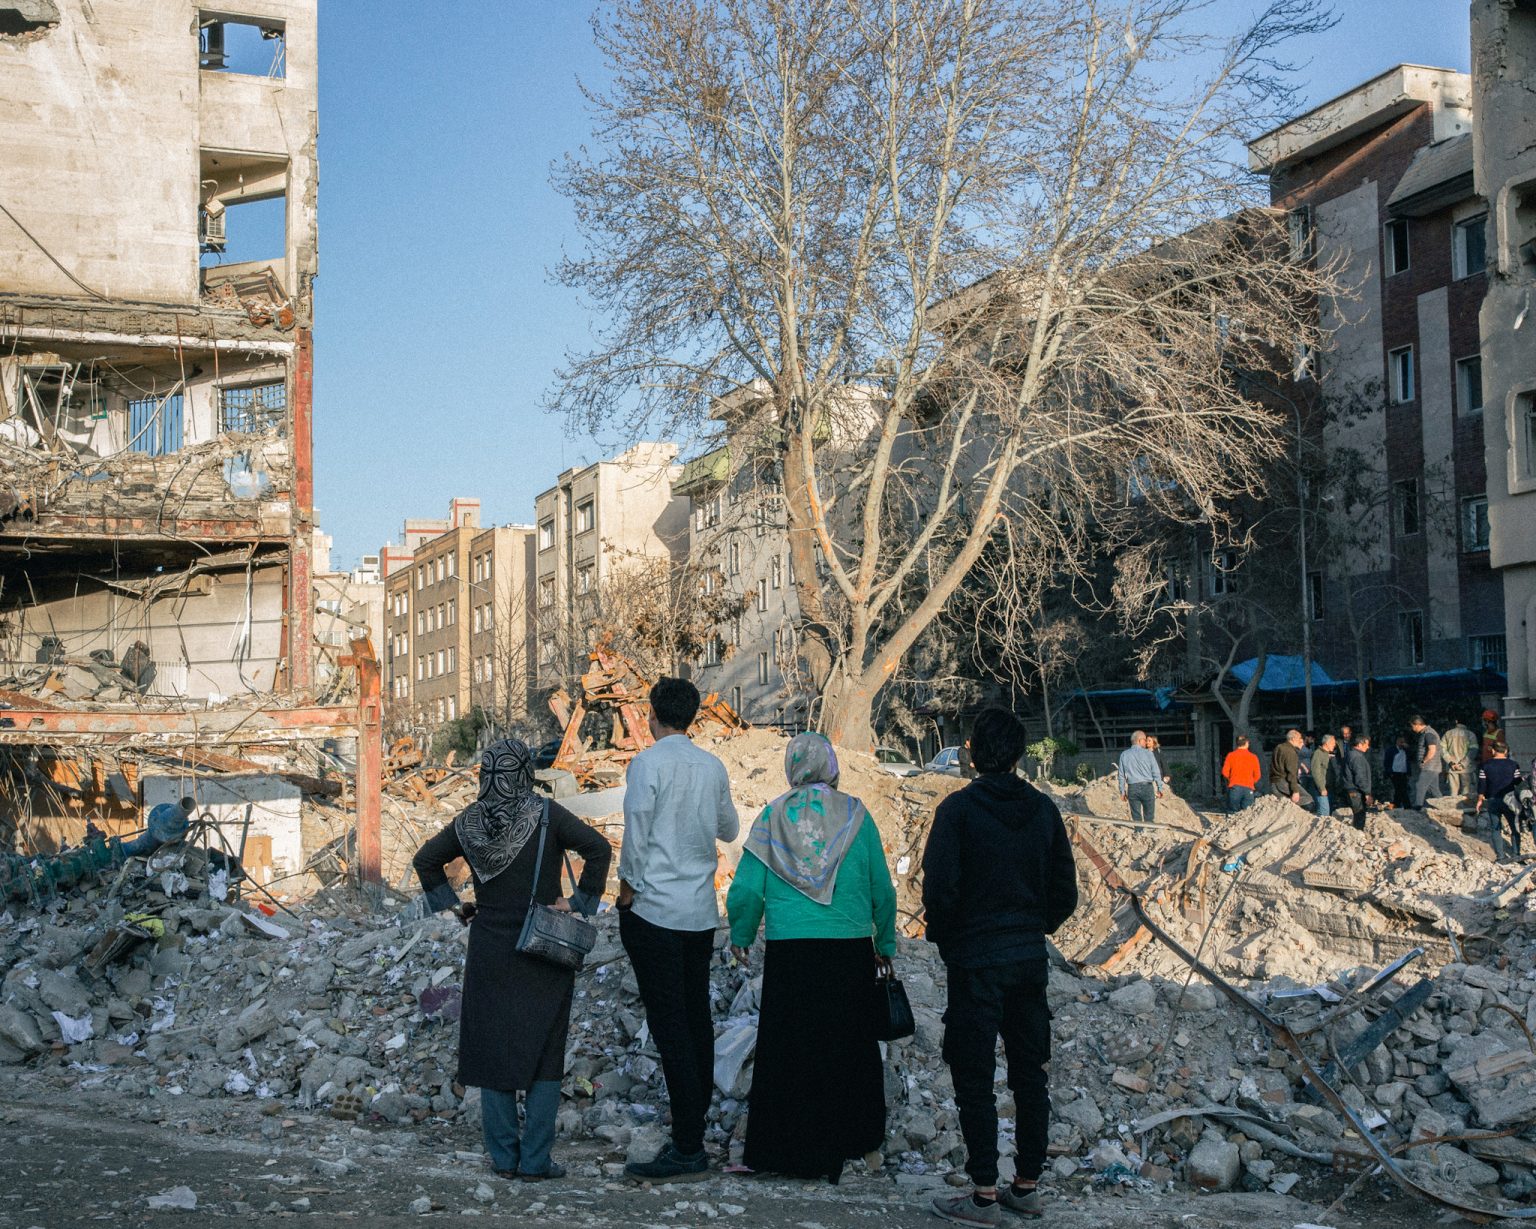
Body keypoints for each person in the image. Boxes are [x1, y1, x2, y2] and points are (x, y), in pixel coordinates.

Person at [412, 739, 612, 1182]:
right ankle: (536, 1161)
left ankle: (504, 1158)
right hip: (543, 947)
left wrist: (454, 904)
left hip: (488, 949)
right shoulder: (546, 815)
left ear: (484, 773)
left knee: (494, 1052)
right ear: (525, 771)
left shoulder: (468, 822)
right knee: (544, 1052)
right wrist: (577, 902)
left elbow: (425, 860)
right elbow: (598, 849)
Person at [922, 707, 1078, 1228]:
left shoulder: (957, 812)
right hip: (1028, 959)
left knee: (974, 1076)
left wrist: (952, 939)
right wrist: (1034, 928)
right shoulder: (1044, 811)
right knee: (1029, 1073)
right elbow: (1065, 893)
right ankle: (1026, 1185)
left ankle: (984, 1192)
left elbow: (939, 892)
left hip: (975, 962)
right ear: (1018, 754)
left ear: (971, 750)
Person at [726, 733, 896, 1182]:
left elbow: (745, 888)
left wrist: (741, 933)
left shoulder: (771, 817)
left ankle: (788, 1150)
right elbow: (882, 886)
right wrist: (885, 945)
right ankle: (856, 1140)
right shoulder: (857, 815)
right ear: (833, 766)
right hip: (849, 949)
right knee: (851, 1046)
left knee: (792, 1050)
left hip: (791, 952)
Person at [620, 677, 741, 1183]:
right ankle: (693, 1131)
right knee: (696, 1021)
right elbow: (729, 829)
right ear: (692, 716)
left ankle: (688, 1145)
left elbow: (637, 834)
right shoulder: (711, 766)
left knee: (671, 1027)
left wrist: (626, 893)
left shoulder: (646, 764)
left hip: (654, 912)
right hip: (699, 913)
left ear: (652, 714)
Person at [1475, 744, 1525, 862]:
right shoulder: (1513, 765)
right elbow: (1518, 782)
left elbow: (1482, 784)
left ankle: (1500, 857)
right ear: (1506, 751)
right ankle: (1516, 855)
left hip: (1493, 800)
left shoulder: (1485, 765)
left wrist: (1479, 800)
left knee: (1496, 829)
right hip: (1510, 801)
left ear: (1493, 751)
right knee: (1515, 828)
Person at [1116, 731, 1163, 828]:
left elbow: (1121, 775)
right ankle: (1149, 835)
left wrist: (1122, 791)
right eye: (1145, 740)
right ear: (1139, 740)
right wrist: (1160, 788)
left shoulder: (1124, 754)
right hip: (1147, 788)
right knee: (1149, 817)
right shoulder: (1149, 754)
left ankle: (1139, 834)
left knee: (1136, 817)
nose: (1146, 743)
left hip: (1132, 788)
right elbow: (1156, 772)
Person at [1340, 734, 1374, 831]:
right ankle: (1358, 837)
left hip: (1351, 790)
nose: (1368, 747)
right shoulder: (1357, 757)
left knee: (1358, 815)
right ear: (1359, 744)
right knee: (1359, 815)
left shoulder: (1350, 754)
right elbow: (1360, 778)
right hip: (1355, 791)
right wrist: (1367, 793)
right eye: (1366, 744)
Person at [1409, 715, 1444, 809]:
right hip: (1433, 767)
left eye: (1412, 726)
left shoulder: (1428, 733)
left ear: (1416, 725)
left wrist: (1424, 761)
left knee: (1420, 785)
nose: (1412, 729)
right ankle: (1443, 807)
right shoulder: (1427, 732)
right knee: (1434, 790)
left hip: (1430, 767)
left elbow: (1432, 750)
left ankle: (1418, 806)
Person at [1220, 736, 1262, 812]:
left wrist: (1231, 779)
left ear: (1237, 744)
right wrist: (1252, 782)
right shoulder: (1253, 757)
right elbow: (1258, 775)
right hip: (1249, 787)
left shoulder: (1231, 755)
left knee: (1232, 813)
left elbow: (1224, 772)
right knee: (1247, 813)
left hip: (1235, 787)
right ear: (1247, 743)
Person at [1269, 729, 1309, 807]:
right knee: (1308, 801)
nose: (1301, 740)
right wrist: (1295, 791)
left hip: (1274, 782)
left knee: (1283, 802)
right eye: (1299, 738)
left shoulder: (1279, 747)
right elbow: (1292, 773)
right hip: (1284, 782)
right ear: (1293, 739)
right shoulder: (1290, 752)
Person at [1443, 719, 1477, 798]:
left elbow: (1442, 750)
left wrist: (1451, 762)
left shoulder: (1448, 734)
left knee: (1453, 793)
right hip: (1467, 769)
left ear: (1456, 722)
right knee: (1466, 793)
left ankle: (1452, 809)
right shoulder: (1470, 734)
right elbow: (1473, 751)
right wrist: (1462, 764)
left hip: (1452, 768)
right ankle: (1464, 809)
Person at [1310, 734, 1338, 817]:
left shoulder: (1326, 754)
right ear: (1326, 743)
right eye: (1333, 743)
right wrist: (1321, 788)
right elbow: (1316, 772)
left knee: (1328, 813)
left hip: (1329, 788)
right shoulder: (1317, 754)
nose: (1334, 745)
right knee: (1324, 813)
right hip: (1321, 789)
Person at [1388, 736, 1411, 808]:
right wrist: (1389, 772)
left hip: (1403, 773)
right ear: (1397, 742)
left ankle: (1396, 804)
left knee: (1401, 790)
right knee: (1400, 789)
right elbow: (1387, 762)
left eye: (1403, 742)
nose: (1402, 744)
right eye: (1401, 742)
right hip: (1395, 773)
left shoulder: (1406, 750)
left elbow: (1412, 758)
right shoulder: (1391, 750)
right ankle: (1407, 806)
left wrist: (1408, 748)